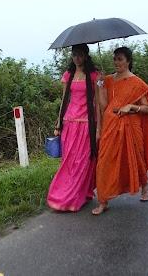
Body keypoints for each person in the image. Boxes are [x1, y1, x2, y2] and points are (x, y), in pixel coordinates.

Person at [92, 47, 148, 215]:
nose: (116, 62)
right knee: (104, 162)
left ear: (128, 61)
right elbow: (102, 106)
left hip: (131, 126)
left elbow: (147, 109)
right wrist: (99, 85)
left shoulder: (137, 82)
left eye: (120, 59)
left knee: (136, 159)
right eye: (115, 59)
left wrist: (131, 106)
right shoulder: (106, 80)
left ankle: (144, 188)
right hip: (110, 125)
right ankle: (103, 200)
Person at [47, 43, 100, 211]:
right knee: (69, 161)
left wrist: (99, 127)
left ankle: (79, 195)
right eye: (74, 55)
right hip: (69, 123)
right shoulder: (68, 75)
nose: (77, 58)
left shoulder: (94, 76)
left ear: (86, 55)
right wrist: (58, 123)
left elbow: (98, 103)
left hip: (86, 124)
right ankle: (64, 195)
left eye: (80, 54)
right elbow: (64, 100)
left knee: (83, 161)